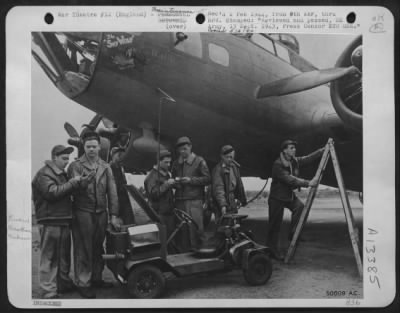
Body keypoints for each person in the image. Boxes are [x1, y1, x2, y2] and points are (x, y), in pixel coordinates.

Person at [68, 131, 121, 298]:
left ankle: (96, 278)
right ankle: (83, 283)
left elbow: (112, 192)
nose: (91, 149)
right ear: (83, 147)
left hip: (101, 213)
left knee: (98, 247)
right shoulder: (75, 166)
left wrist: (113, 215)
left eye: (94, 146)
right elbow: (72, 190)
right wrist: (82, 183)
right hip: (82, 212)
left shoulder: (105, 167)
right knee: (83, 248)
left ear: (99, 147)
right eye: (88, 146)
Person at [32, 145, 89, 299]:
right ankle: (48, 292)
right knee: (49, 258)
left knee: (63, 257)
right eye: (64, 159)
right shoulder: (43, 174)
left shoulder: (59, 174)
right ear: (54, 157)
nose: (66, 162)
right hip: (50, 221)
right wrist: (73, 182)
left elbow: (65, 191)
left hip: (62, 219)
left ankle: (62, 284)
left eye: (68, 159)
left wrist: (80, 183)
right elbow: (52, 193)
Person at [267, 139, 324, 261]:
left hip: (287, 195)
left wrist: (321, 151)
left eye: (294, 147)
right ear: (285, 150)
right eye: (291, 148)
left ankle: (294, 233)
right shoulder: (278, 164)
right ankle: (272, 250)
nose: (294, 150)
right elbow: (290, 179)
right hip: (276, 198)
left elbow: (307, 158)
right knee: (274, 226)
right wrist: (308, 183)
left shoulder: (293, 161)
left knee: (300, 207)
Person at [172, 136, 211, 251]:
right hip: (179, 201)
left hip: (194, 201)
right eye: (180, 150)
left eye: (185, 149)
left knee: (197, 228)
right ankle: (185, 254)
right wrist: (176, 183)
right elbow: (173, 178)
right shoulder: (176, 163)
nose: (182, 152)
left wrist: (191, 180)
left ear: (190, 147)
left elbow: (208, 179)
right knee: (182, 230)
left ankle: (201, 253)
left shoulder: (199, 161)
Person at [144, 150, 176, 247]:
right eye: (166, 162)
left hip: (169, 213)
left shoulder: (166, 174)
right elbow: (153, 194)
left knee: (170, 241)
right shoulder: (151, 177)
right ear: (158, 161)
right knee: (162, 242)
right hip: (159, 214)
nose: (169, 164)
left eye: (170, 162)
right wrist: (167, 184)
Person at [211, 145, 247, 219]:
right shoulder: (217, 170)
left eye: (232, 157)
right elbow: (218, 189)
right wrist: (223, 205)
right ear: (222, 156)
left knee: (233, 226)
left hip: (232, 202)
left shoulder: (234, 167)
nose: (230, 159)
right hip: (220, 204)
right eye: (227, 157)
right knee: (222, 227)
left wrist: (241, 199)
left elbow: (239, 185)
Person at [109, 147, 135, 225]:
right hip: (115, 201)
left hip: (125, 200)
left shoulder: (122, 167)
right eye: (119, 155)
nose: (121, 158)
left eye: (123, 156)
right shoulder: (109, 169)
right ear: (113, 156)